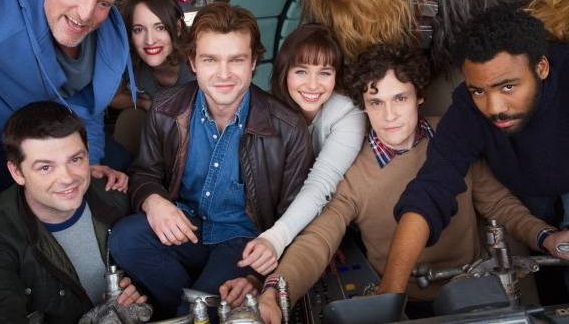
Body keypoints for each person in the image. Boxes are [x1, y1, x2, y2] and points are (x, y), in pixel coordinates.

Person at [229, 45, 556, 323]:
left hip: (474, 295)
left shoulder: (454, 137)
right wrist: (275, 292)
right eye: (376, 103)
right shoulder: (352, 170)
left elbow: (500, 204)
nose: (389, 116)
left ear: (419, 97)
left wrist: (546, 237)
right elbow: (318, 239)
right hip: (398, 304)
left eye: (400, 98)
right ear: (363, 106)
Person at [108, 2, 313, 318]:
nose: (223, 74)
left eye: (236, 60)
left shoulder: (288, 128)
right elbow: (144, 172)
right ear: (193, 62)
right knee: (125, 238)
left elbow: (294, 218)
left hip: (242, 242)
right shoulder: (165, 108)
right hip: (184, 226)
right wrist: (154, 201)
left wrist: (256, 277)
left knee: (206, 306)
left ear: (253, 62)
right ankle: (188, 306)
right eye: (210, 60)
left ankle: (187, 306)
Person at [381, 5, 569, 296]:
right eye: (479, 91)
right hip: (529, 190)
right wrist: (389, 293)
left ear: (541, 68)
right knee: (551, 282)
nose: (494, 108)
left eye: (508, 87)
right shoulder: (467, 108)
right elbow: (432, 188)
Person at [0, 0, 132, 199]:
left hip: (56, 135)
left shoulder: (103, 41)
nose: (85, 14)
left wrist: (89, 160)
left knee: (120, 174)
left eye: (103, 3)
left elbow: (88, 107)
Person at [0, 101, 147, 323]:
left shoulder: (117, 196)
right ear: (17, 172)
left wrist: (143, 292)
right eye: (45, 167)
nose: (67, 178)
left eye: (75, 159)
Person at [237, 24, 366, 275]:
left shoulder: (348, 114)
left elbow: (322, 183)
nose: (313, 85)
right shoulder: (265, 109)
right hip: (272, 215)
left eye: (325, 73)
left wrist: (277, 239)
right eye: (301, 71)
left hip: (332, 211)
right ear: (285, 71)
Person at [110, 0, 195, 155]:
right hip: (154, 139)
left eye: (160, 27)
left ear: (177, 28)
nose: (149, 40)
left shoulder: (198, 62)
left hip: (198, 138)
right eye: (138, 29)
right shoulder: (129, 61)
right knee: (130, 119)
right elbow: (113, 98)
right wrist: (146, 104)